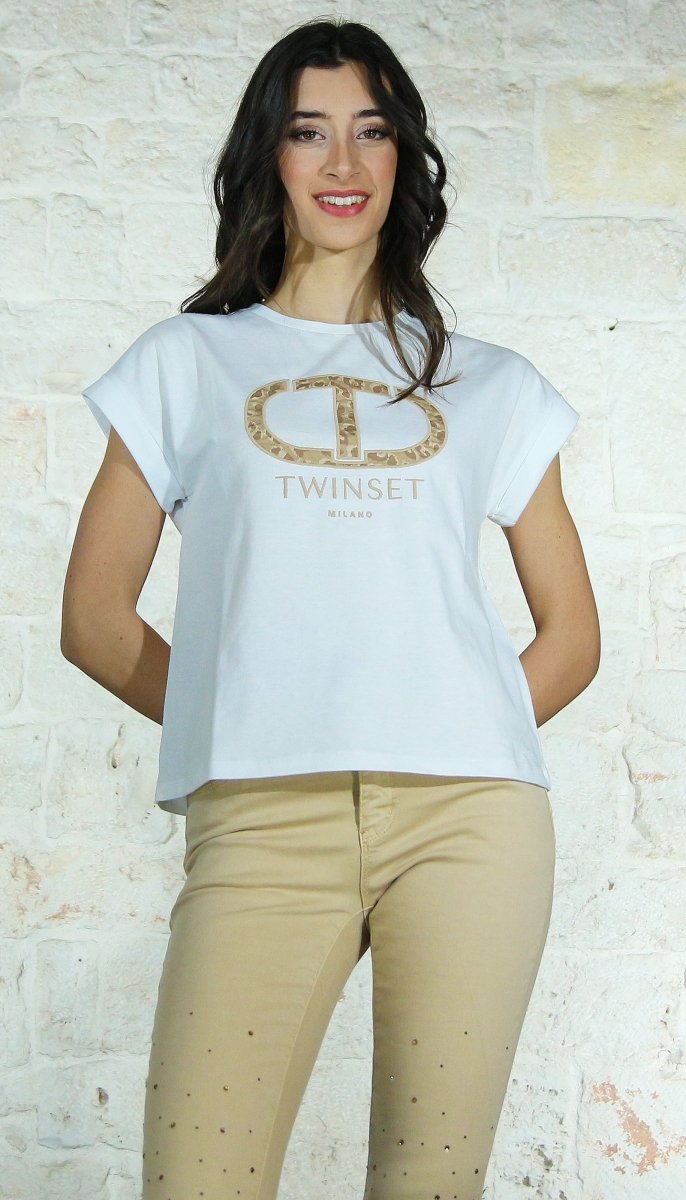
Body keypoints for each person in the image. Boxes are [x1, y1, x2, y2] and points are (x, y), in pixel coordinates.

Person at [61, 17, 600, 1200]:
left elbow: (571, 636)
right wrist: (239, 718)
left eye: (372, 131)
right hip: (262, 820)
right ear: (269, 154)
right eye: (309, 132)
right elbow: (95, 620)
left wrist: (449, 720)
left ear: (404, 157)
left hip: (469, 823)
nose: (342, 163)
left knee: (428, 1186)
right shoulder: (183, 363)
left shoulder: (492, 383)